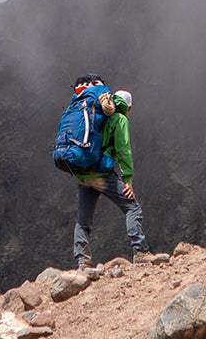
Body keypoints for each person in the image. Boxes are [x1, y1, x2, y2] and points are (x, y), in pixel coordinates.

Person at [70, 85, 165, 268]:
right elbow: (124, 150)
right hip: (100, 173)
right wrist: (127, 179)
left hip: (81, 171)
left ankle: (83, 262)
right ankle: (140, 251)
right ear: (129, 107)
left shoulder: (95, 113)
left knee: (83, 219)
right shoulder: (120, 118)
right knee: (132, 207)